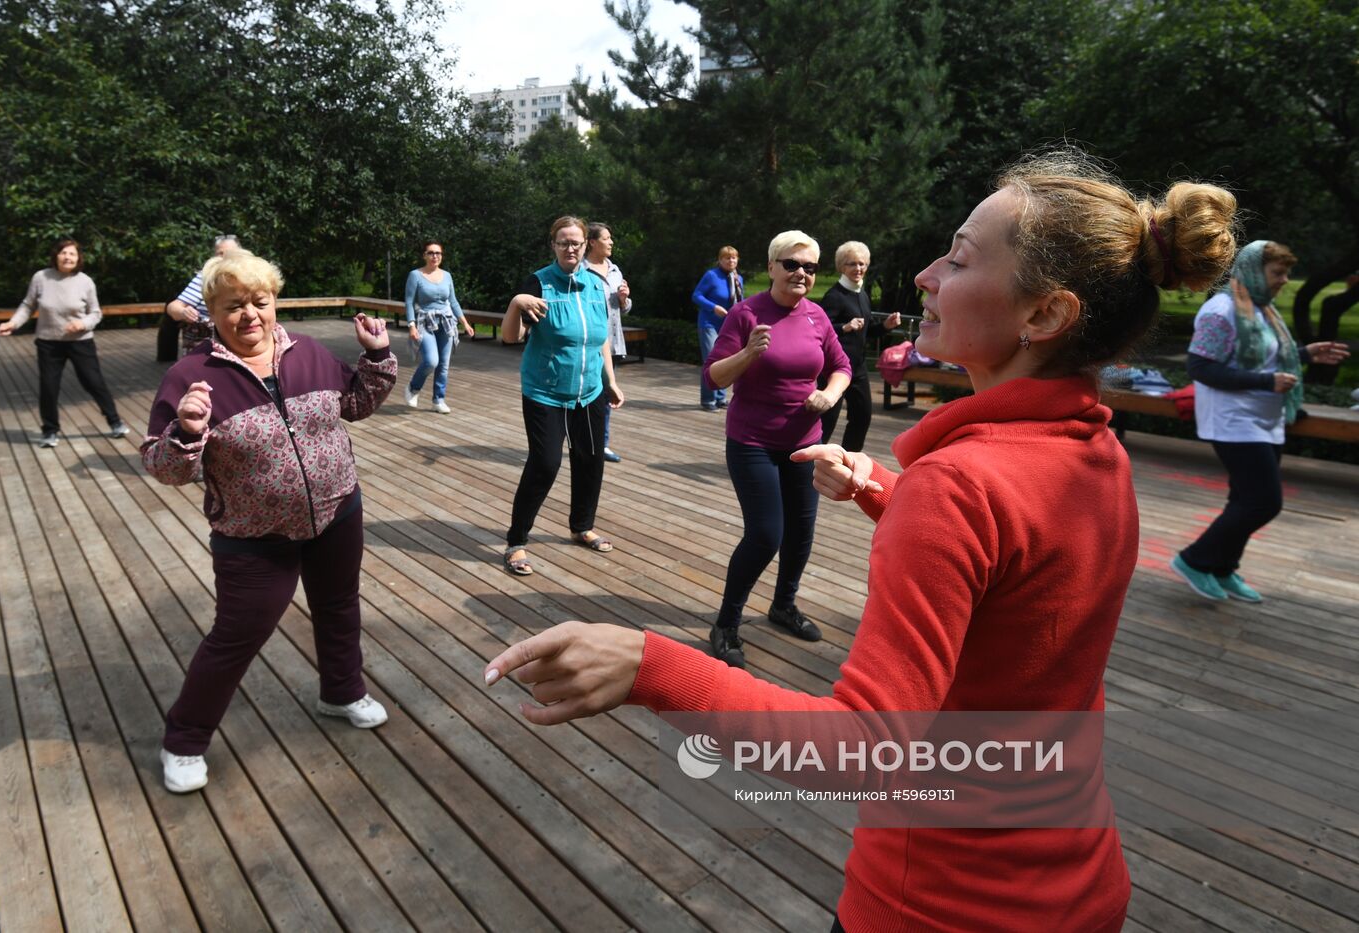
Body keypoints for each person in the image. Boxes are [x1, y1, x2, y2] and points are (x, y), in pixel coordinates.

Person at [481, 151, 1243, 932]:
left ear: (1043, 316)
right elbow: (1021, 584)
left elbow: (863, 748)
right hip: (1080, 883)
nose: (924, 274)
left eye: (960, 257)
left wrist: (652, 663)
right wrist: (885, 490)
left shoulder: (959, 488)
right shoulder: (1096, 453)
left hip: (943, 904)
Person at [141, 250, 398, 794]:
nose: (250, 315)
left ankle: (342, 691)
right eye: (234, 305)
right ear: (211, 310)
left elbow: (353, 404)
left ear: (275, 302)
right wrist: (186, 430)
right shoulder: (192, 377)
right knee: (237, 635)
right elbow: (164, 468)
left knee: (338, 607)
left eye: (260, 301)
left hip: (336, 510)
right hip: (254, 538)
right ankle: (184, 740)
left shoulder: (307, 353)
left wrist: (376, 358)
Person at [702, 230, 851, 662]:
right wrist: (749, 353)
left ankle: (783, 605)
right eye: (792, 264)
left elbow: (841, 366)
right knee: (767, 534)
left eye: (810, 267)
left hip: (805, 444)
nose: (801, 273)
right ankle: (727, 623)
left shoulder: (817, 316)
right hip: (753, 442)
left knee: (801, 532)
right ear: (771, 268)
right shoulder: (746, 314)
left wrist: (831, 394)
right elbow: (714, 377)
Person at [1172, 241, 1350, 602]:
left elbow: (1262, 358)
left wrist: (1304, 353)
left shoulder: (1261, 309)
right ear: (1254, 271)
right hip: (1233, 421)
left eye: (1286, 273)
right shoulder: (1221, 310)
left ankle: (1223, 568)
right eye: (1278, 273)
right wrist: (1266, 382)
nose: (1285, 280)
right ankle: (1195, 560)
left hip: (1265, 418)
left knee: (1244, 499)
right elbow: (1200, 367)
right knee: (1263, 502)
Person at [501, 216, 625, 577]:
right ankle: (516, 540)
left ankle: (581, 526)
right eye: (563, 243)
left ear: (586, 245)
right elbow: (510, 338)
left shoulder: (595, 284)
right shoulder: (539, 283)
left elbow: (600, 336)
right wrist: (515, 304)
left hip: (590, 390)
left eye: (576, 243)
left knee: (590, 459)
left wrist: (611, 381)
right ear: (553, 246)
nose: (570, 249)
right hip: (546, 391)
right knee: (546, 463)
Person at [0, 238, 130, 447]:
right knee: (49, 387)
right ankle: (50, 431)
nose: (67, 257)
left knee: (93, 383)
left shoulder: (85, 281)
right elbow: (27, 305)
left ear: (78, 258)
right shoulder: (41, 278)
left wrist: (82, 324)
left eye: (72, 254)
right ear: (56, 256)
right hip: (49, 343)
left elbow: (96, 313)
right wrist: (12, 323)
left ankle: (115, 422)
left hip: (80, 342)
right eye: (63, 253)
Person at [817, 240, 900, 451]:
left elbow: (865, 332)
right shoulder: (834, 296)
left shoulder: (861, 295)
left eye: (862, 264)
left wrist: (884, 326)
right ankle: (806, 463)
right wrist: (844, 327)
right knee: (826, 420)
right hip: (834, 368)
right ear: (841, 267)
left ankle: (849, 459)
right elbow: (819, 331)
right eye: (852, 264)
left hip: (858, 368)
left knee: (862, 417)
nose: (858, 269)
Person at [403, 239, 475, 412]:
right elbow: (409, 301)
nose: (435, 256)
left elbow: (453, 301)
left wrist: (465, 323)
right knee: (431, 361)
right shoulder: (415, 275)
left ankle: (438, 400)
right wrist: (411, 325)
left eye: (438, 253)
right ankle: (413, 388)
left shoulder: (447, 276)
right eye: (431, 252)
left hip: (446, 322)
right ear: (424, 255)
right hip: (425, 322)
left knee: (444, 364)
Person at [583, 222, 632, 462]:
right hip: (587, 343)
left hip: (612, 343)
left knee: (605, 394)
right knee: (584, 392)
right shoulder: (580, 270)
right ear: (592, 242)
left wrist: (624, 299)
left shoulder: (615, 270)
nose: (611, 242)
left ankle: (601, 444)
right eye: (607, 238)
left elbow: (623, 309)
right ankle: (579, 440)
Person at [165, 234, 242, 356]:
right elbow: (172, 307)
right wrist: (183, 312)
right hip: (208, 348)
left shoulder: (248, 277)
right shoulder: (205, 278)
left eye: (231, 253)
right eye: (221, 253)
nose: (225, 258)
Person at [692, 246, 743, 411]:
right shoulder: (711, 276)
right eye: (727, 258)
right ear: (720, 260)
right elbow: (697, 296)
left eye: (734, 258)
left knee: (724, 360)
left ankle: (721, 398)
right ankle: (708, 400)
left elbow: (740, 300)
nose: (731, 261)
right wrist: (713, 307)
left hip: (727, 326)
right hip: (709, 324)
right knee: (711, 360)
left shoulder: (738, 278)